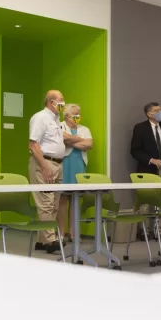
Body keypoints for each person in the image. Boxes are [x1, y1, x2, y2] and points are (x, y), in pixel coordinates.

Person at [28, 90, 67, 253]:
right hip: (44, 163)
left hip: (58, 164)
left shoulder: (56, 119)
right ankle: (51, 240)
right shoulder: (41, 117)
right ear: (51, 102)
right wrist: (44, 166)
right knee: (46, 204)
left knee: (54, 206)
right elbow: (33, 144)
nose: (64, 103)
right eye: (61, 100)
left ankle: (41, 240)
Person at [130, 102, 161, 237]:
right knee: (145, 200)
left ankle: (159, 232)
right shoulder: (140, 128)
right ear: (149, 114)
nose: (160, 112)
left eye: (160, 110)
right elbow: (135, 150)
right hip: (146, 168)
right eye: (157, 111)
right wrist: (151, 160)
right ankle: (144, 231)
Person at [57, 104, 93, 242]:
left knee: (75, 199)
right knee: (62, 199)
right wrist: (79, 140)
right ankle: (61, 232)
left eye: (79, 114)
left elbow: (89, 144)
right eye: (75, 114)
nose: (78, 116)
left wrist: (71, 142)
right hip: (64, 164)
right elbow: (61, 139)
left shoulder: (84, 129)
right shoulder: (59, 126)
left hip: (79, 164)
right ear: (67, 116)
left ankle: (72, 232)